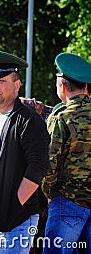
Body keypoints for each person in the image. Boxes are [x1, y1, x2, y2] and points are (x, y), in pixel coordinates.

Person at [0, 51, 50, 253]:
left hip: (13, 220)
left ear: (17, 85)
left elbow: (38, 166)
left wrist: (14, 204)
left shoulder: (27, 120)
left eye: (1, 81)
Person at [41, 53, 91, 254]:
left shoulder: (62, 119)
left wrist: (48, 193)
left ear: (62, 86)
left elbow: (49, 163)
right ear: (86, 87)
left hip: (67, 202)